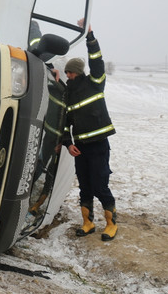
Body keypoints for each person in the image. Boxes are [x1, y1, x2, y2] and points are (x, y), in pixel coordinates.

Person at [61, 22, 117, 241]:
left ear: (78, 72)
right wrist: (68, 143)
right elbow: (65, 122)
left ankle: (111, 224)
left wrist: (90, 36)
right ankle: (88, 223)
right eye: (66, 72)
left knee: (100, 185)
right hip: (81, 148)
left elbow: (97, 61)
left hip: (99, 145)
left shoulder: (95, 83)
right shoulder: (69, 94)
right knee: (84, 186)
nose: (68, 75)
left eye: (71, 72)